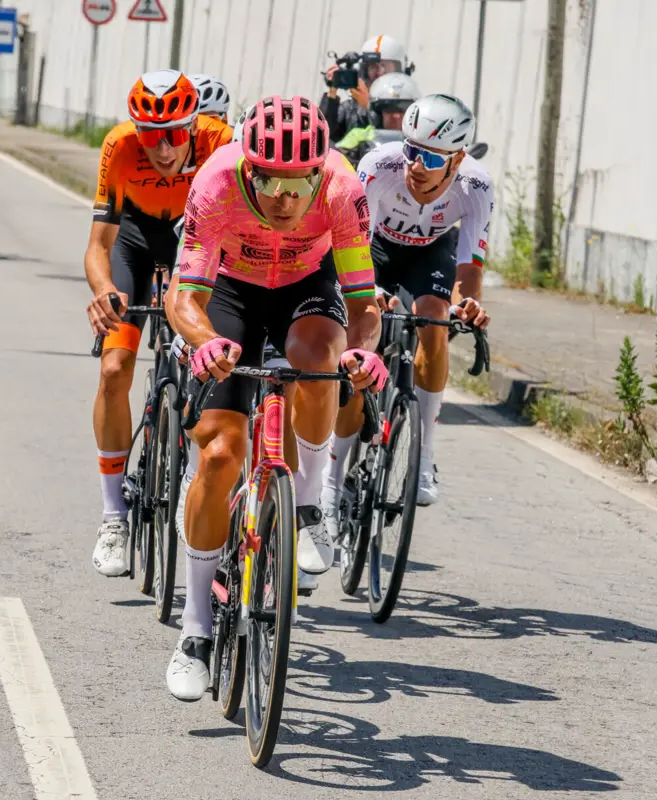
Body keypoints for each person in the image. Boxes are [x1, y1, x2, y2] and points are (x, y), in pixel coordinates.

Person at [162, 95, 385, 701]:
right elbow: (183, 297)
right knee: (218, 454)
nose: (286, 201)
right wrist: (206, 342)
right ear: (249, 169)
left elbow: (364, 301)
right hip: (229, 291)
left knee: (321, 361)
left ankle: (308, 507)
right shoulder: (215, 183)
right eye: (272, 184)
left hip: (304, 288)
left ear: (319, 173)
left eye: (299, 186)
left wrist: (365, 351)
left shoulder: (342, 188)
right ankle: (196, 631)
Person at [85, 70, 232, 579]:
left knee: (207, 363)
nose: (163, 148)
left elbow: (230, 230)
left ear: (195, 124)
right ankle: (113, 516)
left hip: (194, 244)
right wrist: (105, 291)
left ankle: (199, 480)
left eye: (174, 134)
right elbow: (99, 245)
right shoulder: (119, 147)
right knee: (114, 367)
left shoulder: (220, 142)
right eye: (151, 135)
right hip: (136, 242)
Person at [322, 94, 492, 531]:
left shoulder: (477, 185)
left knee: (435, 322)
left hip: (429, 253)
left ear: (457, 161)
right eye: (411, 151)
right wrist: (366, 292)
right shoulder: (379, 165)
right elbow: (351, 242)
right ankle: (331, 480)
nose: (416, 166)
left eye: (431, 160)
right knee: (362, 352)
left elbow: (469, 265)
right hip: (372, 248)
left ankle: (426, 455)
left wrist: (466, 304)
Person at [321, 34, 412, 143]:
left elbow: (394, 138)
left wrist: (369, 107)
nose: (379, 73)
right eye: (373, 66)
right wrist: (332, 94)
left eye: (385, 66)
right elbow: (324, 136)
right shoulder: (350, 107)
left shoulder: (406, 108)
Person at [334, 72, 420, 168]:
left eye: (403, 110)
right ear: (377, 113)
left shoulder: (420, 138)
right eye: (389, 109)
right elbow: (335, 159)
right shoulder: (359, 135)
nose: (396, 115)